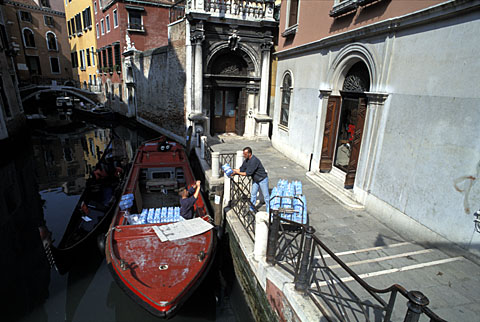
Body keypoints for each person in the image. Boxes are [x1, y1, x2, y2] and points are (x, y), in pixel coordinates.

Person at [233, 147, 269, 212]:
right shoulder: (246, 160)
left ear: (249, 154)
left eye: (245, 154)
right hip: (256, 179)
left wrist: (236, 172)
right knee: (253, 194)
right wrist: (232, 170)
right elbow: (241, 169)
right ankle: (252, 208)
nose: (244, 155)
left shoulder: (254, 161)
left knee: (266, 196)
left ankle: (269, 211)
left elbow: (247, 173)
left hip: (262, 179)